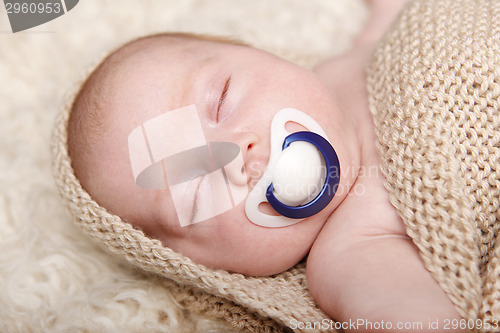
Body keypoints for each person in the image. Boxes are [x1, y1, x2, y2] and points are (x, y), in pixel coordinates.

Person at [66, 0, 464, 331]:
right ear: (197, 263)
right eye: (197, 189)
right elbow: (407, 311)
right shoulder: (352, 249)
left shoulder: (344, 69)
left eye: (221, 100)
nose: (236, 155)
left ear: (262, 55)